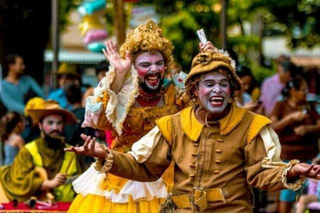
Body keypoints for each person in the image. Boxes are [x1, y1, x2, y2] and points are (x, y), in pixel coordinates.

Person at [66, 49, 320, 213]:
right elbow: (144, 167)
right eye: (209, 84)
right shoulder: (173, 124)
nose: (217, 90)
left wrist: (289, 170)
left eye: (223, 84)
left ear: (232, 90)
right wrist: (105, 156)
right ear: (195, 91)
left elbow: (260, 172)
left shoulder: (250, 125)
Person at [66, 20, 215, 213]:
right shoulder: (122, 93)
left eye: (159, 63)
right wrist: (119, 75)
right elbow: (101, 121)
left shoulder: (176, 92)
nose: (154, 69)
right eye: (146, 64)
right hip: (121, 176)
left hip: (169, 178)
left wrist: (210, 65)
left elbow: (209, 111)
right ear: (133, 68)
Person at [0, 100, 84, 203]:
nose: (55, 127)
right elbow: (19, 180)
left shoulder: (72, 151)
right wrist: (48, 183)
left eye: (59, 123)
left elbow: (84, 181)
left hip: (67, 207)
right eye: (50, 123)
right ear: (40, 125)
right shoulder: (28, 151)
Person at [270, 76, 320, 213]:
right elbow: (272, 127)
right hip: (289, 158)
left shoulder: (310, 106)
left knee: (307, 192)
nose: (306, 93)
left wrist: (308, 129)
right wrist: (290, 119)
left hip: (310, 156)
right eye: (303, 90)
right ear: (293, 91)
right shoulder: (280, 106)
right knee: (287, 191)